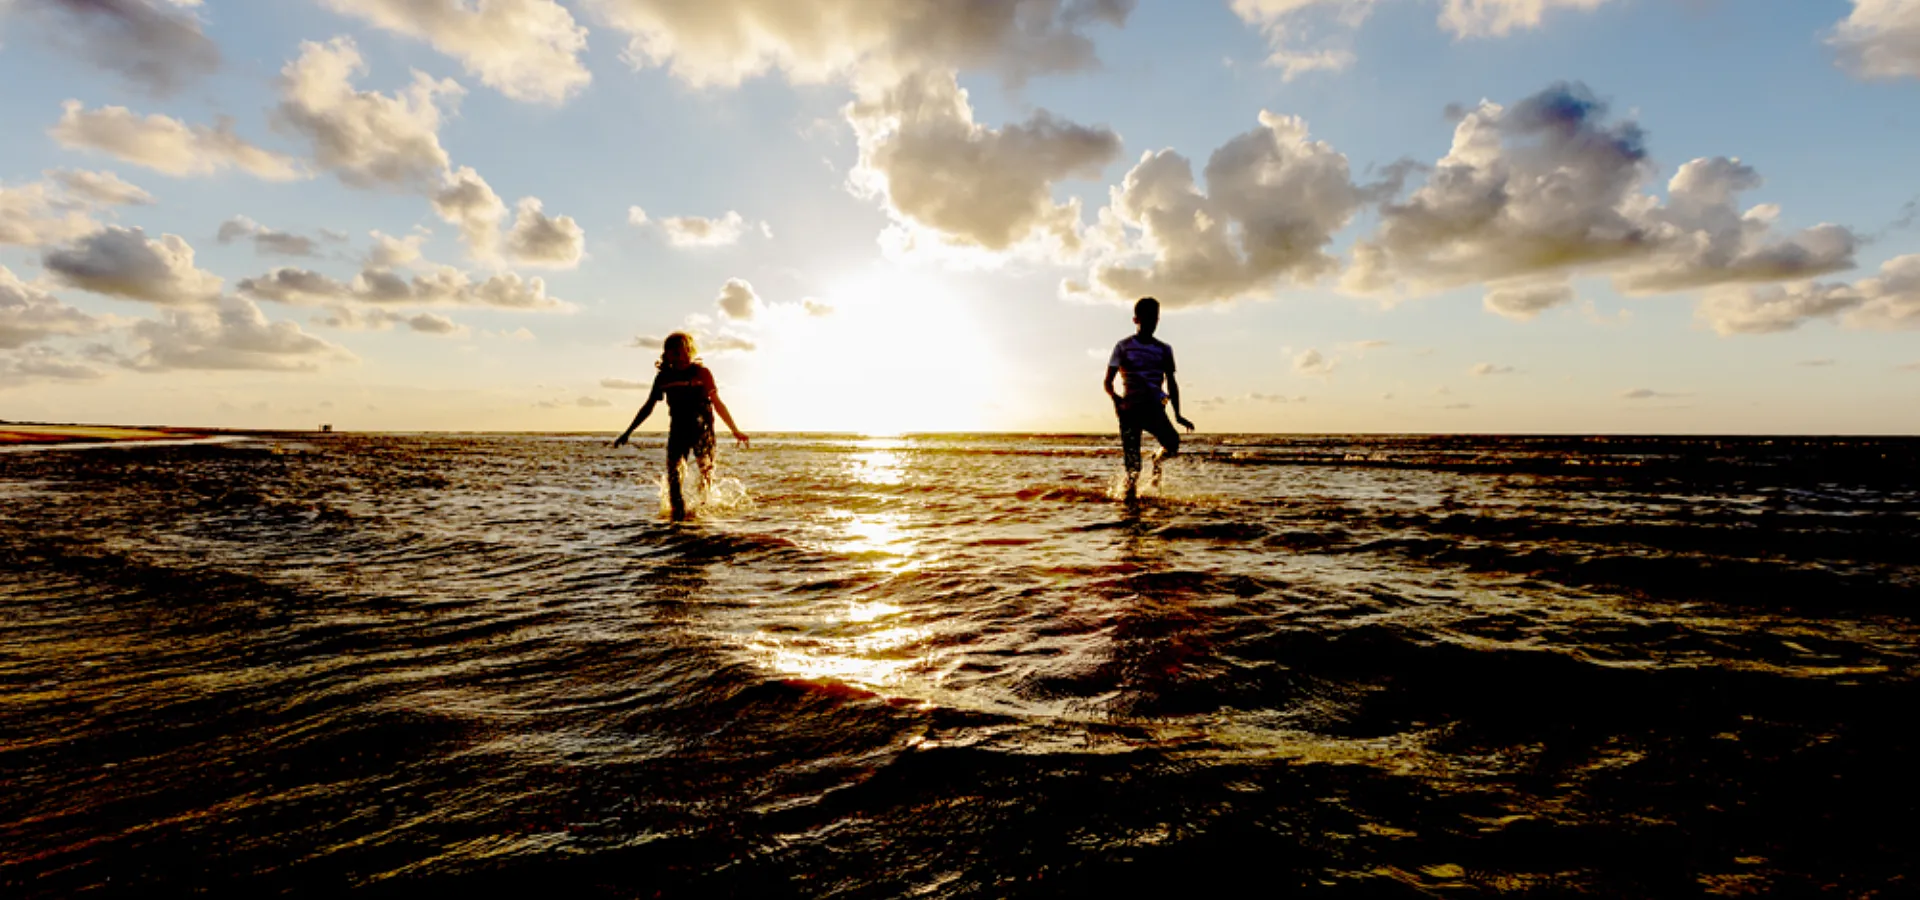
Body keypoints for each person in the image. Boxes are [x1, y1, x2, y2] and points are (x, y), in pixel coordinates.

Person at [612, 332, 748, 520]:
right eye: (674, 353)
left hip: (703, 429)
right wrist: (628, 432)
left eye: (684, 352)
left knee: (706, 471)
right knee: (674, 474)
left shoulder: (702, 373)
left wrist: (735, 430)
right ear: (666, 355)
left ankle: (703, 510)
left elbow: (717, 402)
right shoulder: (663, 378)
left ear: (690, 352)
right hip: (678, 429)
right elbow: (648, 407)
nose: (680, 357)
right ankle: (678, 517)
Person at [1103, 297, 1194, 498]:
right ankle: (1130, 509)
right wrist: (1117, 400)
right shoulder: (1123, 346)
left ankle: (1157, 460)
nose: (1152, 323)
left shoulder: (1164, 349)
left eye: (1155, 318)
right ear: (1136, 320)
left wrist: (1178, 414)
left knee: (1172, 443)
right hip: (1130, 409)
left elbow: (1171, 382)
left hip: (1154, 407)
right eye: (1147, 318)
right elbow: (1108, 381)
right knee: (1133, 467)